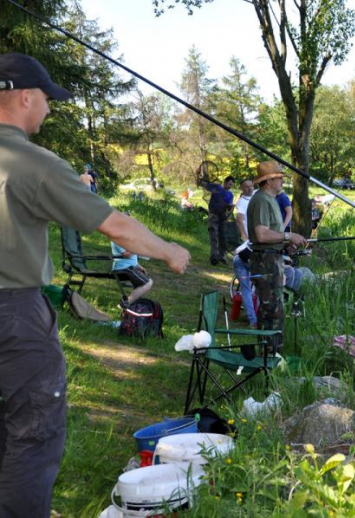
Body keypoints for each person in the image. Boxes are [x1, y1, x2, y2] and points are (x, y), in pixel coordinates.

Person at [0, 53, 191, 517]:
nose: (48, 109)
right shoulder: (31, 161)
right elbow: (115, 225)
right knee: (32, 433)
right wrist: (169, 250)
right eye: (47, 99)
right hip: (14, 317)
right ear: (25, 97)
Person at [246, 161, 306, 337]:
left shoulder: (270, 200)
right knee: (271, 311)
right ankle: (269, 355)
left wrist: (286, 245)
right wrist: (288, 236)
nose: (281, 181)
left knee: (276, 308)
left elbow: (271, 234)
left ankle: (273, 354)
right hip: (265, 261)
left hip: (273, 258)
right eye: (278, 177)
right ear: (268, 181)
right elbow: (261, 235)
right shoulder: (261, 200)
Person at [233, 177, 258, 327]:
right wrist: (244, 235)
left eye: (250, 186)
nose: (249, 189)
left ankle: (256, 318)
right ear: (242, 189)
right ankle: (253, 320)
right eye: (246, 187)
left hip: (251, 247)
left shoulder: (258, 195)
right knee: (249, 289)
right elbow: (239, 219)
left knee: (255, 287)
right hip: (246, 251)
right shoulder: (242, 203)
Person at [112, 225, 154, 308]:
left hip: (129, 267)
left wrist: (138, 265)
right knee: (148, 283)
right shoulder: (117, 237)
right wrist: (137, 246)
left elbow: (131, 256)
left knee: (141, 284)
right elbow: (127, 255)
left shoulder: (125, 237)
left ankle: (133, 303)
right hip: (123, 268)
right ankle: (125, 304)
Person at [201, 174, 235, 265]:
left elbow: (230, 206)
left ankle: (221, 256)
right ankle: (214, 257)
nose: (230, 187)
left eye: (231, 185)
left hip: (223, 216)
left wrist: (230, 209)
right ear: (224, 182)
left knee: (223, 236)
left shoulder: (230, 194)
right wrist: (200, 175)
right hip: (213, 215)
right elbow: (203, 184)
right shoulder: (215, 188)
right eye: (229, 184)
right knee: (213, 235)